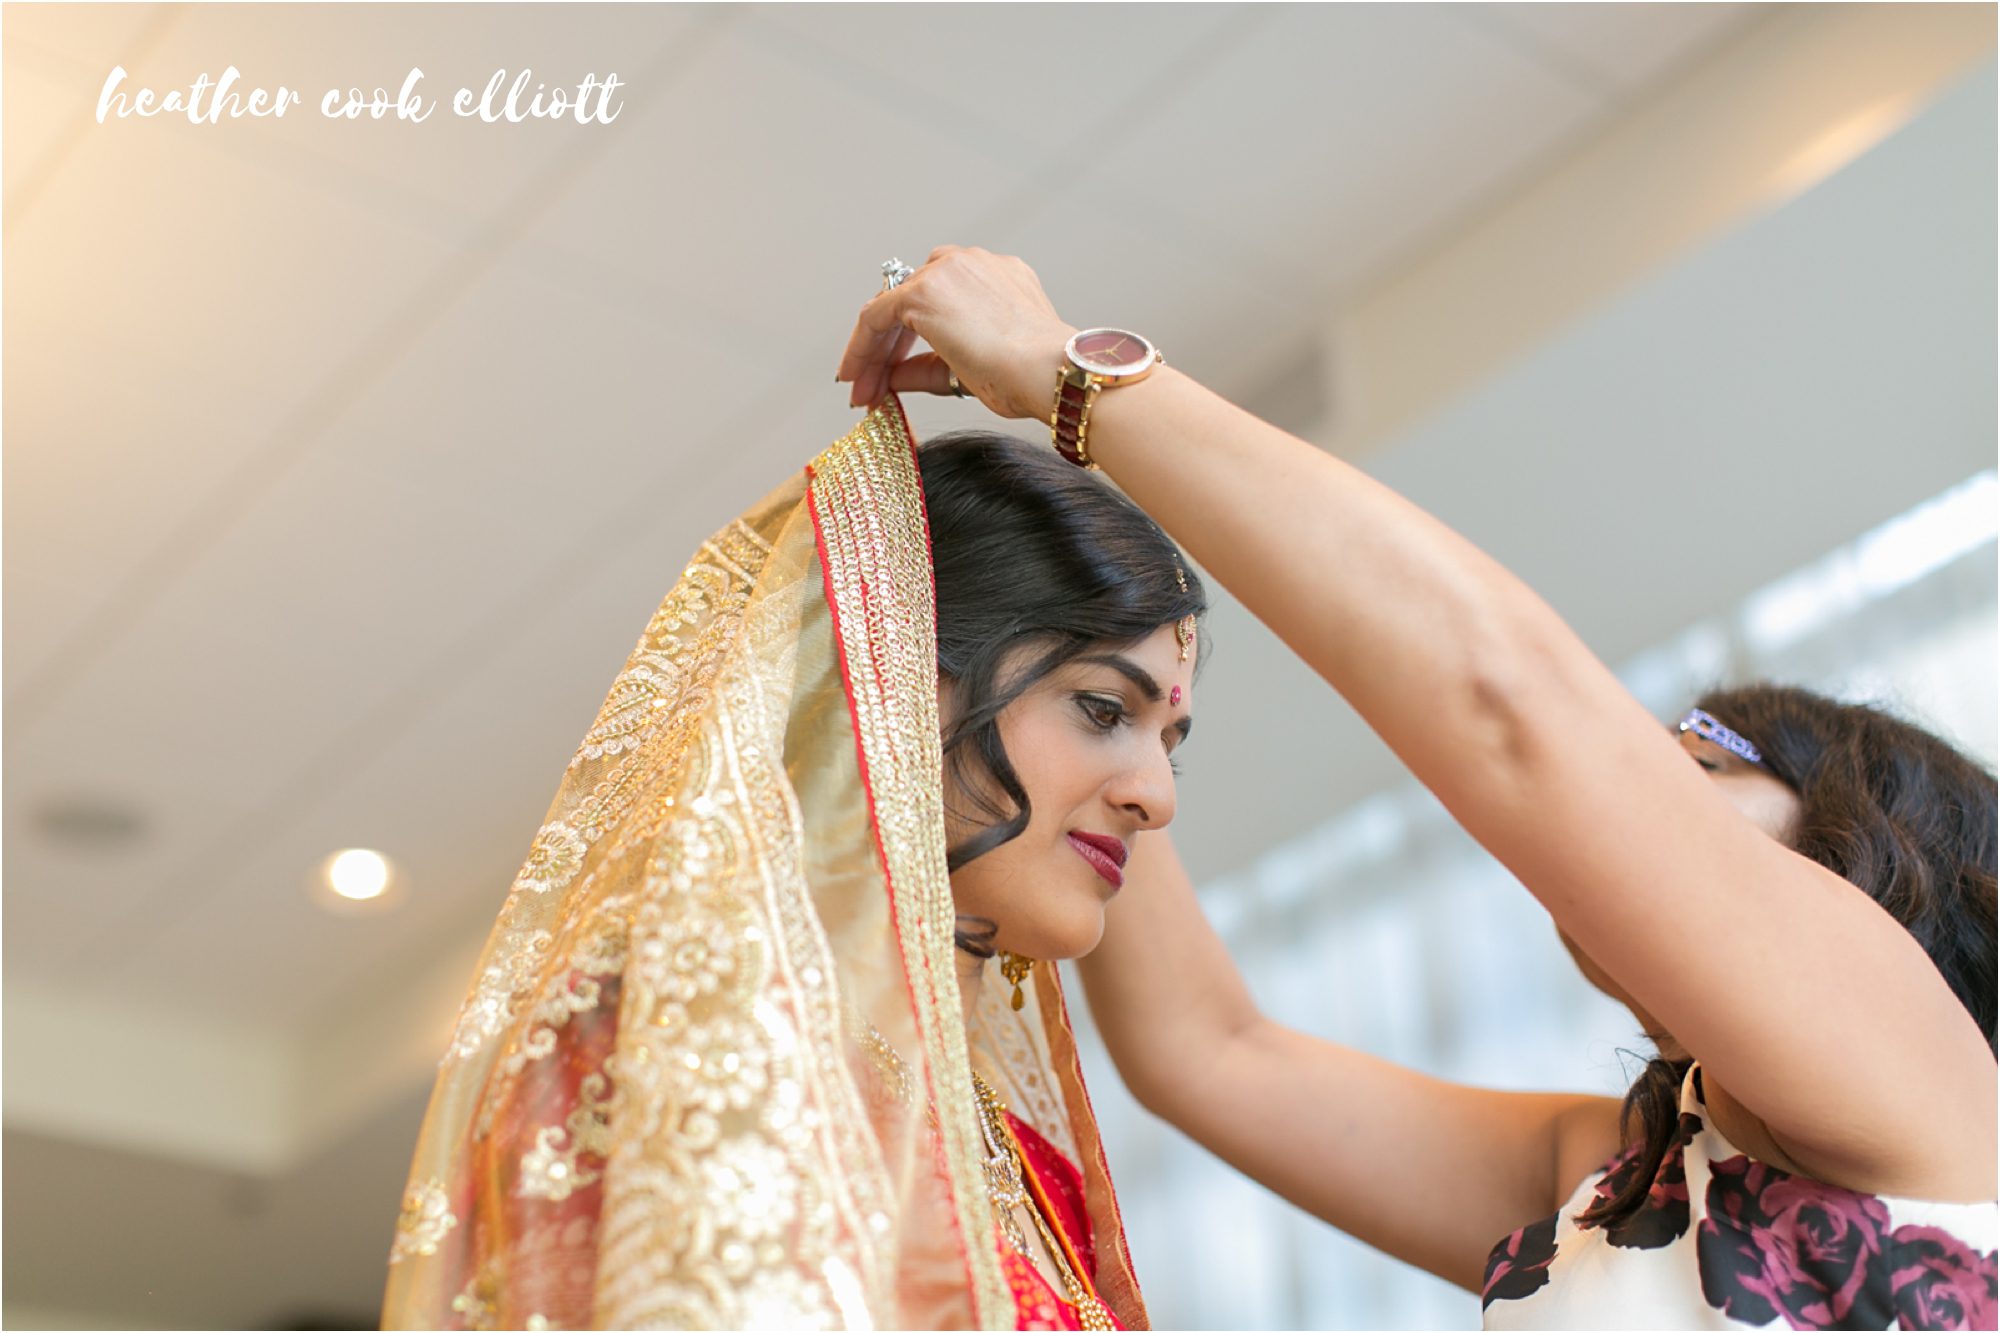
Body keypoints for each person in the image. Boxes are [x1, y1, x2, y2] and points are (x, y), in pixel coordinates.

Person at [836, 247, 1999, 1329]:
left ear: (1862, 854)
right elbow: (1210, 1049)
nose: (1637, 790)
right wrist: (1079, 683)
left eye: (1692, 770)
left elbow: (1506, 707)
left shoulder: (1922, 1075)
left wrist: (1068, 373)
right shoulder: (1625, 1180)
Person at [381, 395, 1203, 1329]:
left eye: (1169, 746)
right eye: (1103, 709)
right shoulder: (657, 1033)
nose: (1157, 796)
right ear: (899, 683)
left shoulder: (1032, 1169)